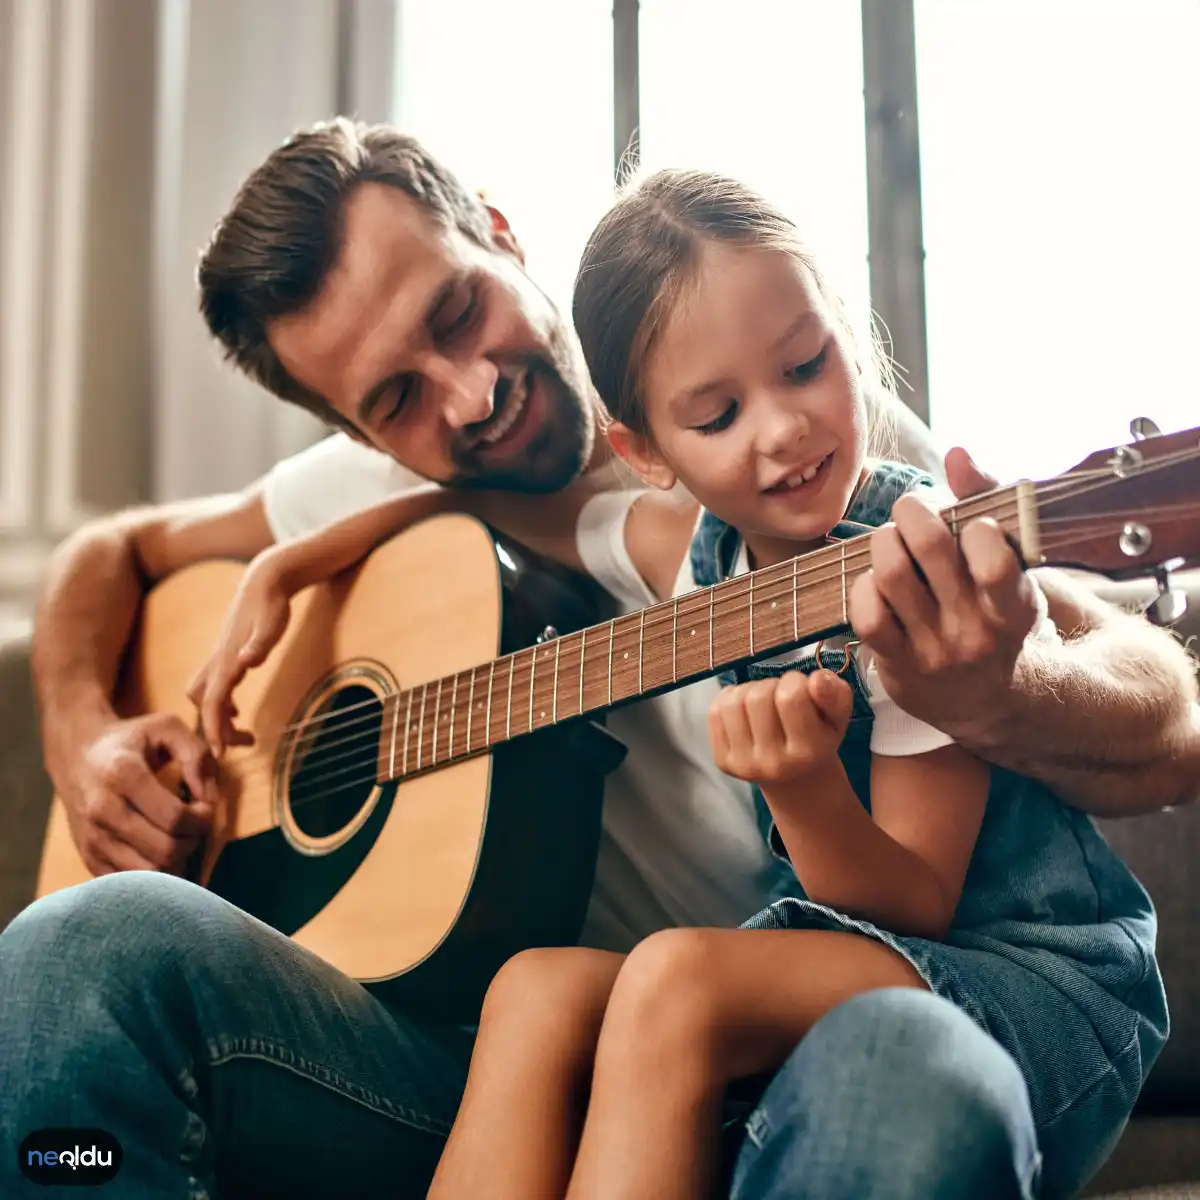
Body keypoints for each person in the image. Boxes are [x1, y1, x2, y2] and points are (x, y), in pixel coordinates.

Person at [1, 120, 1195, 1199]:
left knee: (883, 1072)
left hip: (800, 1036)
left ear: (500, 231)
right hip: (462, 1072)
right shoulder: (390, 493)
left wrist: (1005, 690)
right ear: (357, 436)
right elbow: (114, 553)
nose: (469, 399)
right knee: (73, 954)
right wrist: (90, 738)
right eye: (399, 400)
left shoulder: (835, 473)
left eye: (459, 311)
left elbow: (1155, 702)